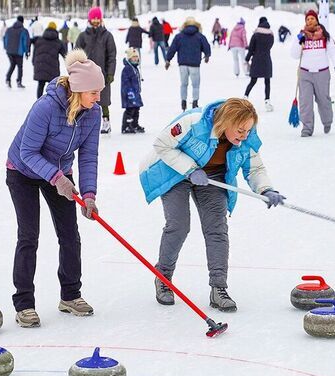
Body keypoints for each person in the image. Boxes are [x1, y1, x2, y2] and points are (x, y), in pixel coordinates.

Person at [138, 98, 284, 312]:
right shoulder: (194, 121)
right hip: (175, 172)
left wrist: (266, 189)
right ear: (227, 121)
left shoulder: (246, 137)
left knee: (217, 229)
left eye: (248, 130)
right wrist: (190, 169)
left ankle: (218, 288)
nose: (244, 136)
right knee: (179, 225)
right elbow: (162, 144)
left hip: (212, 177)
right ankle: (163, 278)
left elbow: (254, 169)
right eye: (241, 130)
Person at [5, 49, 104, 328]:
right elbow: (27, 152)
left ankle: (70, 295)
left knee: (70, 234)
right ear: (79, 90)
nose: (98, 98)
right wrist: (57, 178)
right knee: (29, 236)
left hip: (61, 172)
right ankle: (24, 303)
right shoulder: (46, 107)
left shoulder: (93, 113)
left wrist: (89, 195)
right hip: (22, 171)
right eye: (94, 92)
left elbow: (89, 155)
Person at [291, 9, 335, 137]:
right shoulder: (302, 36)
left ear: (317, 20)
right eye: (307, 19)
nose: (310, 20)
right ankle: (307, 128)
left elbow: (333, 50)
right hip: (305, 73)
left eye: (312, 18)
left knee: (324, 100)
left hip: (322, 73)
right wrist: (298, 41)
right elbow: (294, 55)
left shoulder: (324, 35)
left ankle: (327, 121)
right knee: (305, 102)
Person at [75, 7, 116, 134]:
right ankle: (83, 123)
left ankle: (106, 122)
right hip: (86, 75)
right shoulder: (83, 36)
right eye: (94, 18)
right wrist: (77, 72)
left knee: (103, 100)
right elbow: (76, 55)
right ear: (89, 19)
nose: (96, 20)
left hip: (102, 74)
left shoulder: (107, 36)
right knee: (85, 100)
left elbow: (111, 56)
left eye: (98, 18)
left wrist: (110, 73)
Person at [165, 17, 211, 112]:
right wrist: (207, 56)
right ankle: (195, 102)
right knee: (195, 85)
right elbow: (206, 46)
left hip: (182, 64)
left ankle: (183, 102)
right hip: (194, 64)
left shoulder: (179, 36)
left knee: (184, 84)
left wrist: (168, 60)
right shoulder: (199, 36)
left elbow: (172, 48)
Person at [245, 17, 274, 112]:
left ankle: (245, 97)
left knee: (253, 81)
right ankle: (267, 101)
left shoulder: (256, 35)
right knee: (267, 82)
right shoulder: (271, 35)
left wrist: (247, 59)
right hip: (266, 60)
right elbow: (270, 46)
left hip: (257, 60)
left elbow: (251, 49)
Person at [31, 21, 67, 98]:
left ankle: (39, 102)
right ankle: (52, 103)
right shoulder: (58, 42)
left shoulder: (39, 40)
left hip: (40, 66)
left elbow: (35, 53)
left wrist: (34, 62)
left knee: (40, 85)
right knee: (53, 87)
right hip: (52, 67)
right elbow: (65, 55)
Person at [121, 48, 144, 134]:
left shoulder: (135, 68)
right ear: (129, 58)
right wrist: (129, 92)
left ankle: (134, 124)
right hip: (129, 94)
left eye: (136, 57)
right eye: (133, 57)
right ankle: (126, 125)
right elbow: (125, 82)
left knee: (136, 109)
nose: (135, 59)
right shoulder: (127, 69)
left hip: (136, 93)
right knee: (130, 110)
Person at [4, 16, 30, 88]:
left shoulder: (9, 29)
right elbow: (26, 42)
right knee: (19, 67)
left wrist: (6, 48)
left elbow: (5, 39)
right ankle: (19, 81)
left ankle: (8, 78)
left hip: (9, 51)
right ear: (23, 21)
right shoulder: (24, 30)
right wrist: (27, 52)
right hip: (19, 52)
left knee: (12, 65)